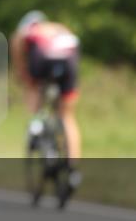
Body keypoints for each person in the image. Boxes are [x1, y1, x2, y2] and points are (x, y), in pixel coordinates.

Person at [11, 10, 83, 184]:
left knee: (34, 87)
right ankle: (73, 170)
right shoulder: (58, 27)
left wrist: (25, 78)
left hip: (43, 56)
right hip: (69, 57)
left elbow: (18, 53)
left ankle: (36, 123)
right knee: (67, 116)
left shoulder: (26, 31)